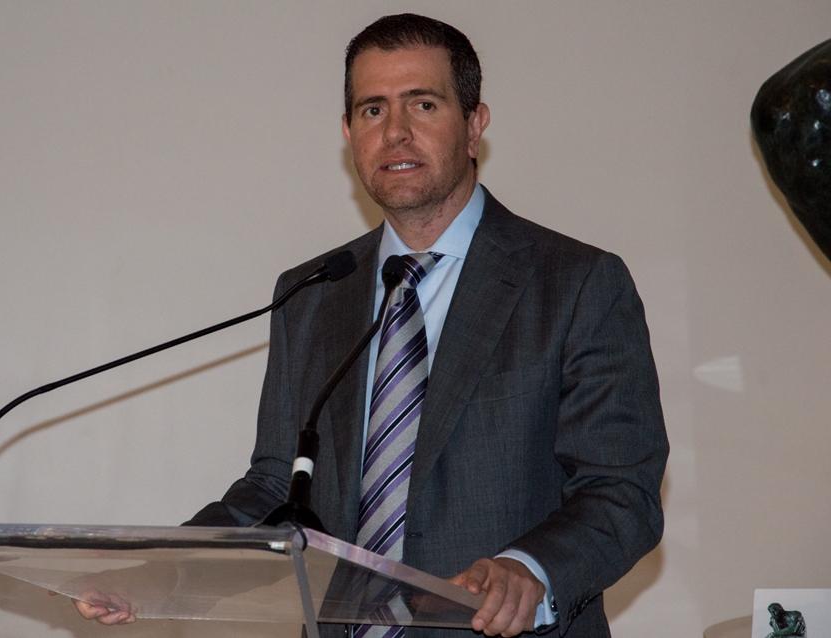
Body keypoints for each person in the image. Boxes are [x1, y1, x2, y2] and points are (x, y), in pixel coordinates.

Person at [77, 13, 668, 637]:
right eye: (373, 110)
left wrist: (529, 570)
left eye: (423, 104)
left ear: (474, 125)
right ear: (349, 133)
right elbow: (277, 489)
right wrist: (161, 571)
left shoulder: (575, 284)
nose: (396, 132)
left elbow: (621, 492)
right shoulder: (313, 293)